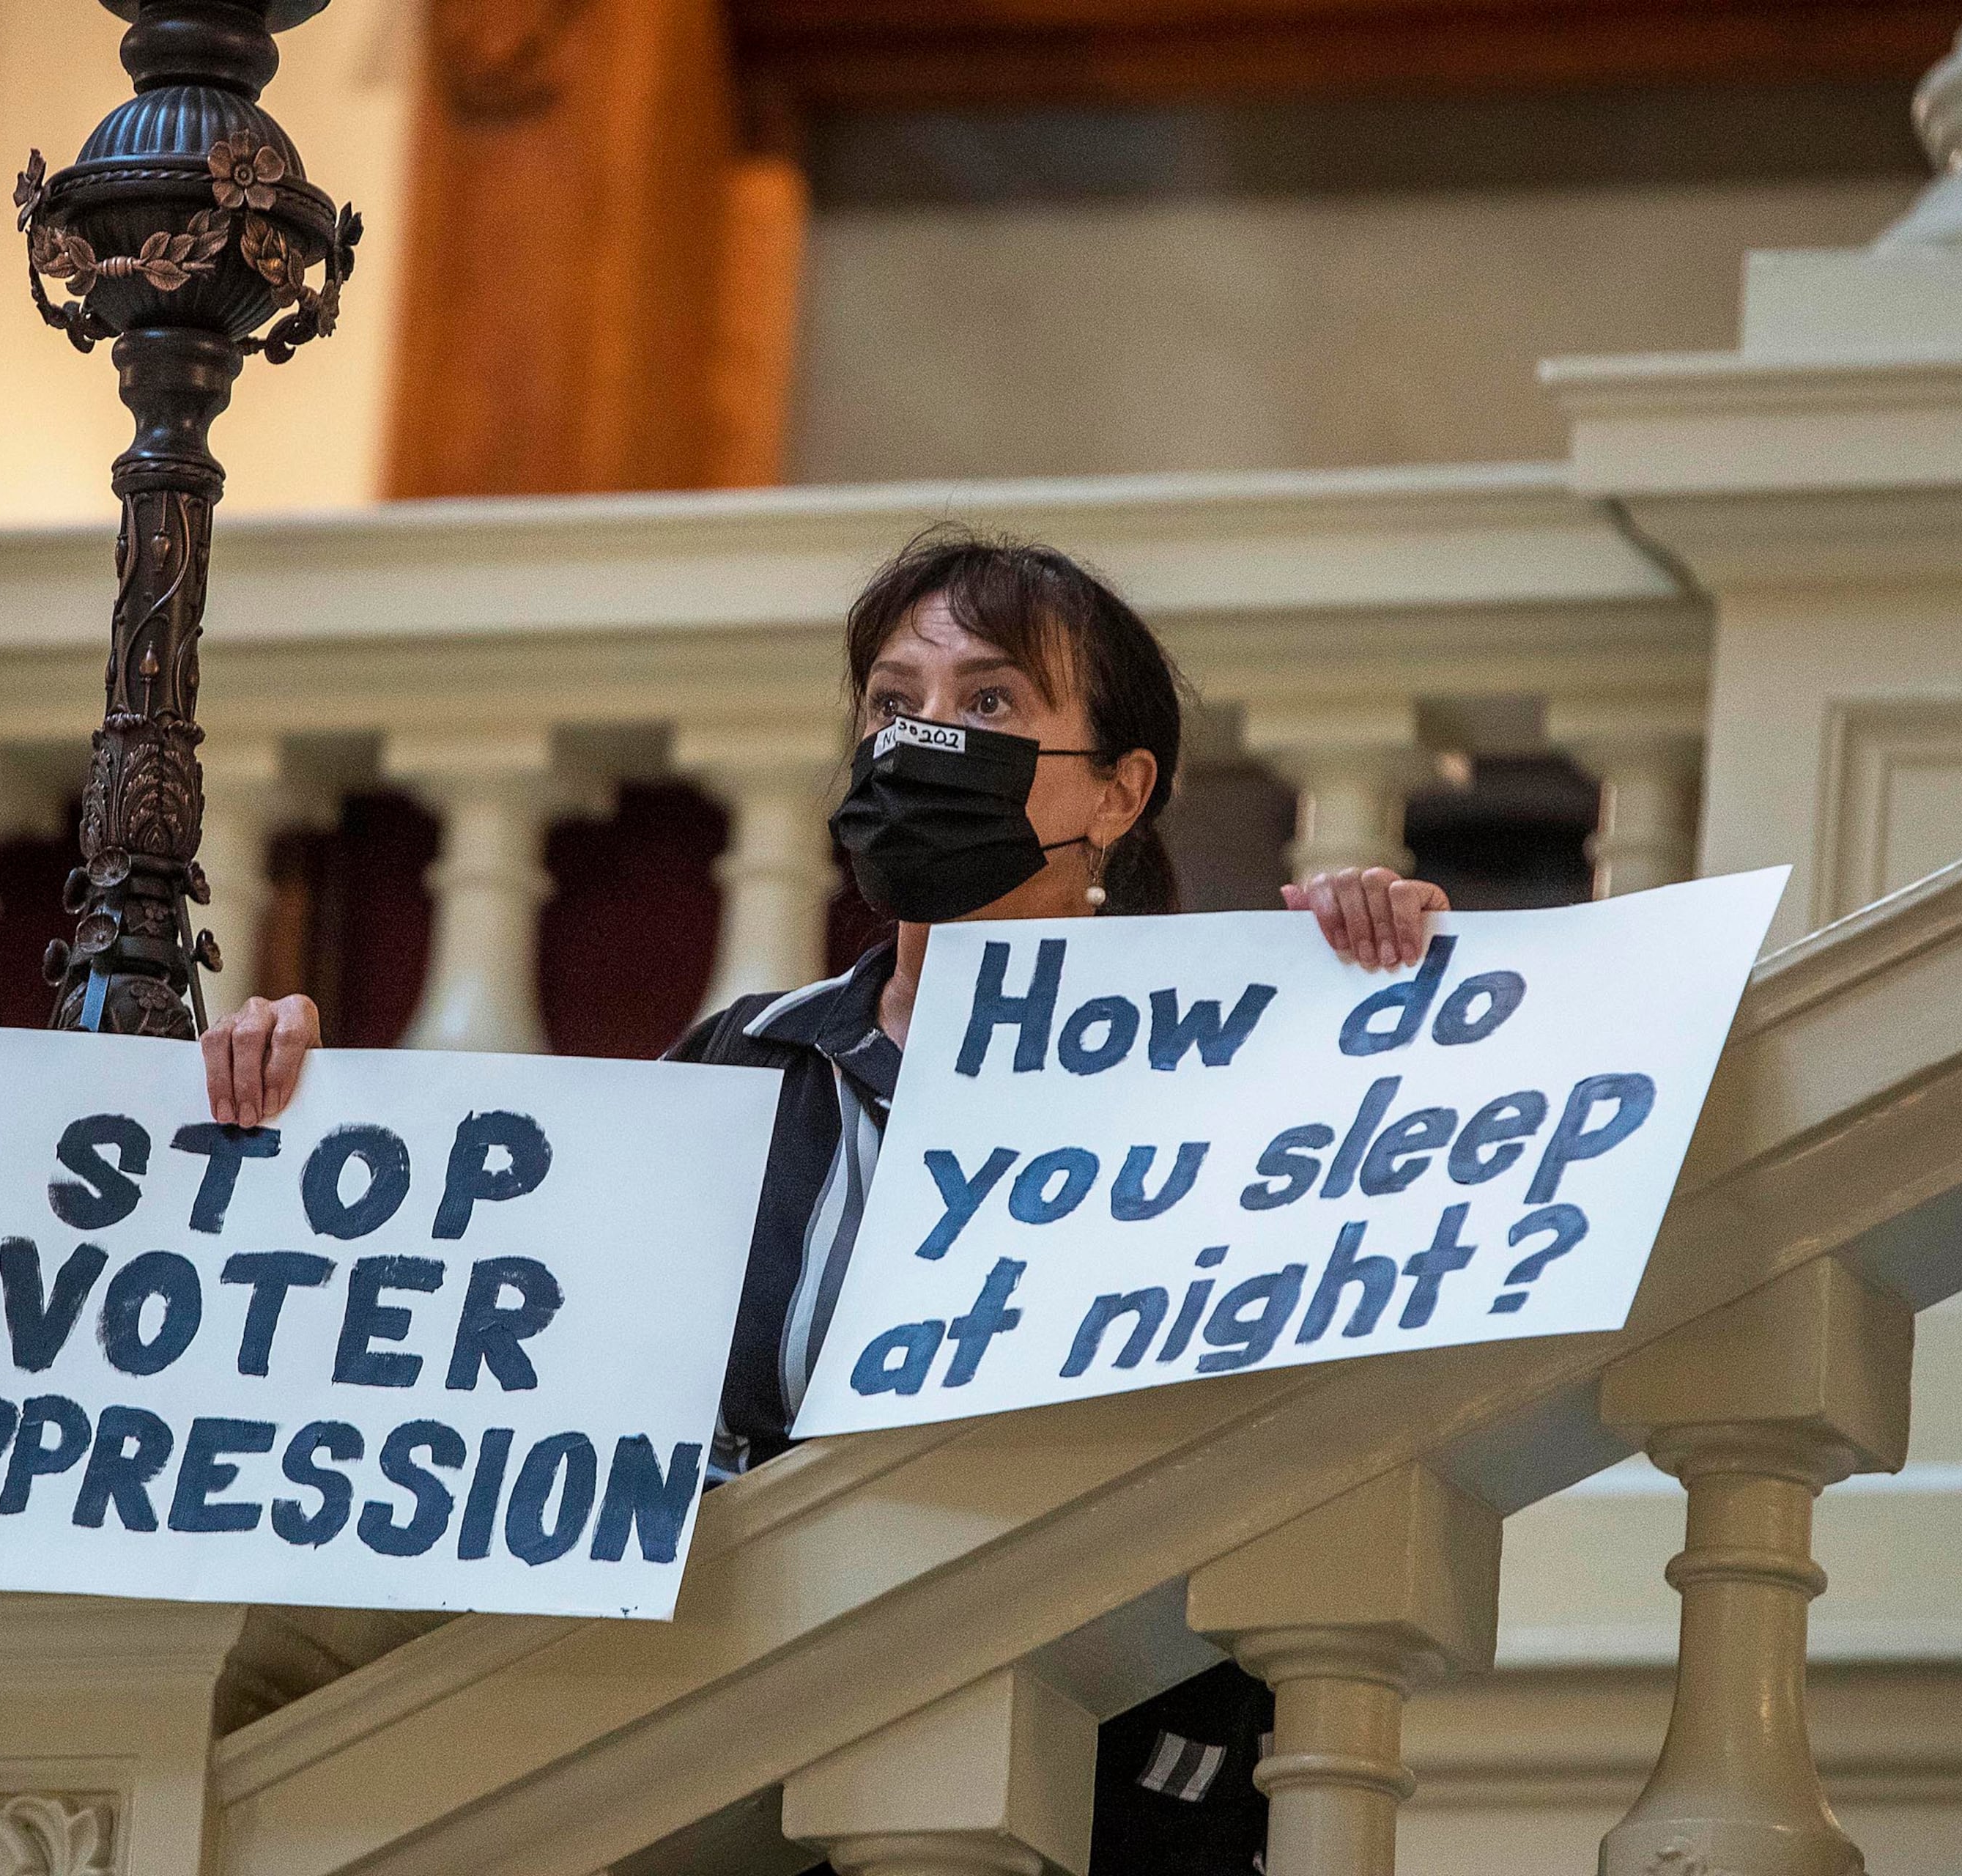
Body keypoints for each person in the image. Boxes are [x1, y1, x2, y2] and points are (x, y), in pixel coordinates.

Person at [199, 527, 1447, 1875]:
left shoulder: (1226, 1063)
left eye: (989, 704)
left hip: (1086, 1758)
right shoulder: (748, 1063)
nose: (923, 739)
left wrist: (1372, 1016)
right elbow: (528, 1369)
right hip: (729, 1711)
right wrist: (301, 1139)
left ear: (1117, 793)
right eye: (892, 704)